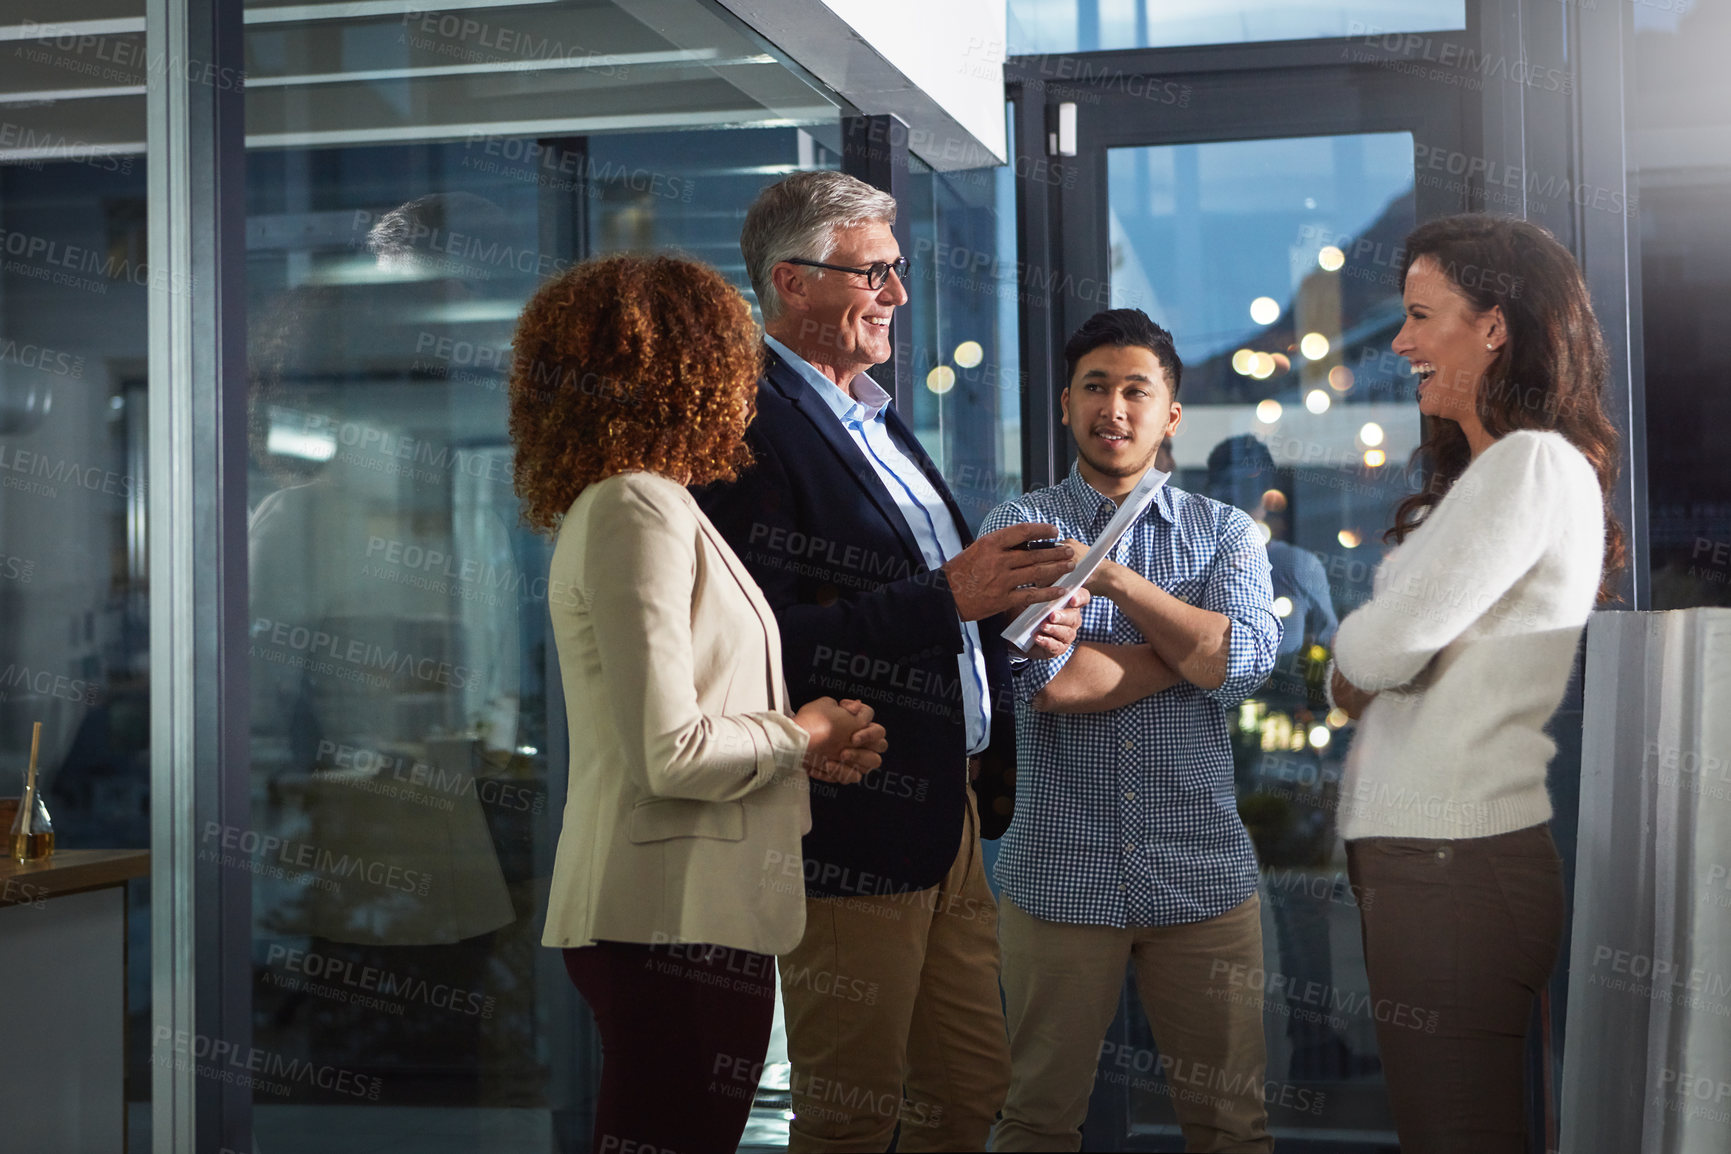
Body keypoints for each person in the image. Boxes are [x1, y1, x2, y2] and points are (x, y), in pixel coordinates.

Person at [693, 170, 1085, 1152]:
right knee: (853, 1107)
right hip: (852, 812)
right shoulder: (749, 426)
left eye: (897, 271)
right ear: (792, 282)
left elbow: (913, 605)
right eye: (874, 274)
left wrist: (1006, 627)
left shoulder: (874, 414)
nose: (898, 296)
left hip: (948, 809)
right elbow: (766, 638)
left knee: (966, 1088)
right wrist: (954, 596)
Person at [516, 254, 888, 1154]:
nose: (747, 374)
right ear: (681, 362)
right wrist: (805, 731)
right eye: (731, 349)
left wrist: (808, 746)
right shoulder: (634, 506)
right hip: (663, 916)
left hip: (687, 914)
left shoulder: (648, 501)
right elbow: (669, 752)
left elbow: (692, 712)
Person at [1329, 214, 1624, 1153]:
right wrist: (1367, 656)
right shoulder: (1494, 474)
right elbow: (1377, 660)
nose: (1400, 342)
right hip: (1437, 861)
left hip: (1453, 863)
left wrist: (1361, 653)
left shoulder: (1529, 464)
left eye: (1421, 315)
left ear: (1493, 326)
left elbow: (1372, 658)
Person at [982, 308, 1281, 1153]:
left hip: (1202, 875)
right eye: (1095, 388)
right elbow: (1041, 682)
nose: (1114, 408)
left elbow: (1247, 666)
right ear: (1068, 404)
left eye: (1134, 391)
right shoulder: (1020, 526)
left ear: (1169, 415)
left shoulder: (1222, 531)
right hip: (1056, 875)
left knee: (1232, 1126)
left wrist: (1110, 580)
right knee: (1035, 1121)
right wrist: (1189, 648)